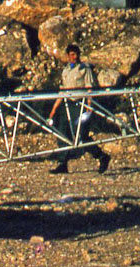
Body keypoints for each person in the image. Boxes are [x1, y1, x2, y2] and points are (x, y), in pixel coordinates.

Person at [47, 44, 110, 174]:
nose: (73, 57)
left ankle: (101, 156)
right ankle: (62, 163)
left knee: (81, 135)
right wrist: (54, 109)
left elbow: (89, 88)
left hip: (79, 104)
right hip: (67, 104)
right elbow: (63, 90)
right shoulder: (66, 70)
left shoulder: (84, 69)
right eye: (70, 54)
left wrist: (89, 105)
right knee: (62, 133)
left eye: (75, 54)